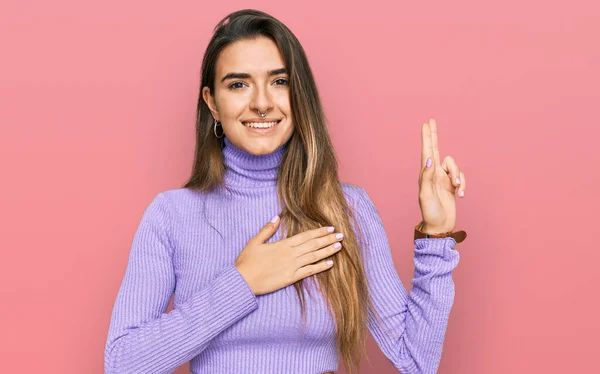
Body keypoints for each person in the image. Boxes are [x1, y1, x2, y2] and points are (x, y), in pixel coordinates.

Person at [104, 9, 468, 374]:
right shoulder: (171, 216)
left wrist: (436, 236)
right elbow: (122, 365)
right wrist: (242, 283)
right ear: (212, 102)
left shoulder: (347, 209)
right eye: (238, 84)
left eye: (279, 82)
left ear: (300, 95)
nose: (262, 103)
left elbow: (416, 361)